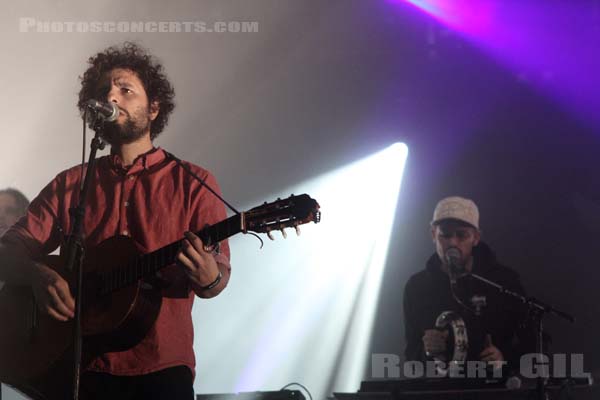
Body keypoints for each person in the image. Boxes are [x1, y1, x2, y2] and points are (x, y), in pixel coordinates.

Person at [0, 42, 231, 399]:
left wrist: (209, 277)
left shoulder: (193, 183)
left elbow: (216, 276)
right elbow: (8, 250)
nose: (112, 96)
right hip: (79, 368)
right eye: (105, 90)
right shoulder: (71, 184)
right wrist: (36, 275)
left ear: (154, 108)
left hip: (161, 368)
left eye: (125, 89)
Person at [403, 196, 531, 376]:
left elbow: (537, 343)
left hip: (493, 390)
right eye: (445, 235)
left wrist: (504, 358)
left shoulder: (503, 281)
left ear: (476, 237)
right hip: (440, 392)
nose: (453, 243)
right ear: (433, 234)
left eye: (462, 235)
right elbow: (411, 356)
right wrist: (428, 352)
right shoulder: (417, 287)